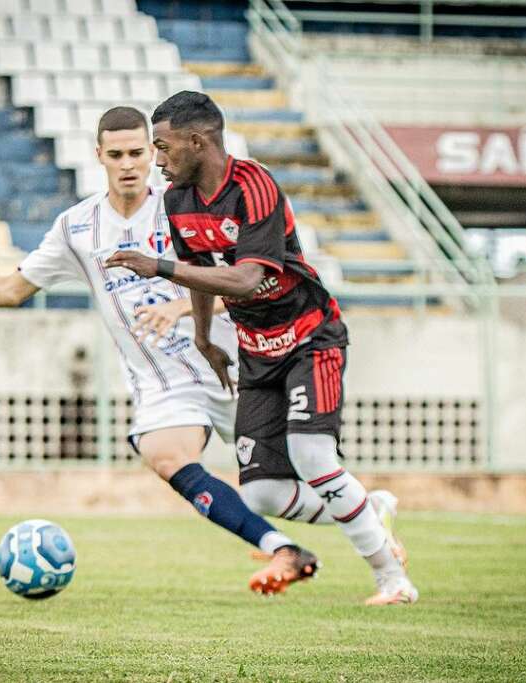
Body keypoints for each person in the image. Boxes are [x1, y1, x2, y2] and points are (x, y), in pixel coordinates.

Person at [0, 107, 328, 593]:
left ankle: (365, 515)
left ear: (154, 152)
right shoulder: (77, 227)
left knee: (284, 484)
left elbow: (246, 282)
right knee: (165, 455)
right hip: (162, 382)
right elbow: (10, 289)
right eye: (116, 155)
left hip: (231, 364)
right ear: (99, 157)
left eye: (138, 153)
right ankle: (283, 549)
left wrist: (179, 308)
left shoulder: (184, 206)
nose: (129, 164)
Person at [104, 92, 418, 605]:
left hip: (309, 336)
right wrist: (205, 339)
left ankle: (392, 579)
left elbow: (248, 279)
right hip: (255, 351)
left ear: (196, 141)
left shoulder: (254, 186)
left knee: (313, 455)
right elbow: (204, 277)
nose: (157, 160)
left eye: (162, 147)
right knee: (263, 493)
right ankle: (368, 507)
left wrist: (157, 266)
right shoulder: (176, 202)